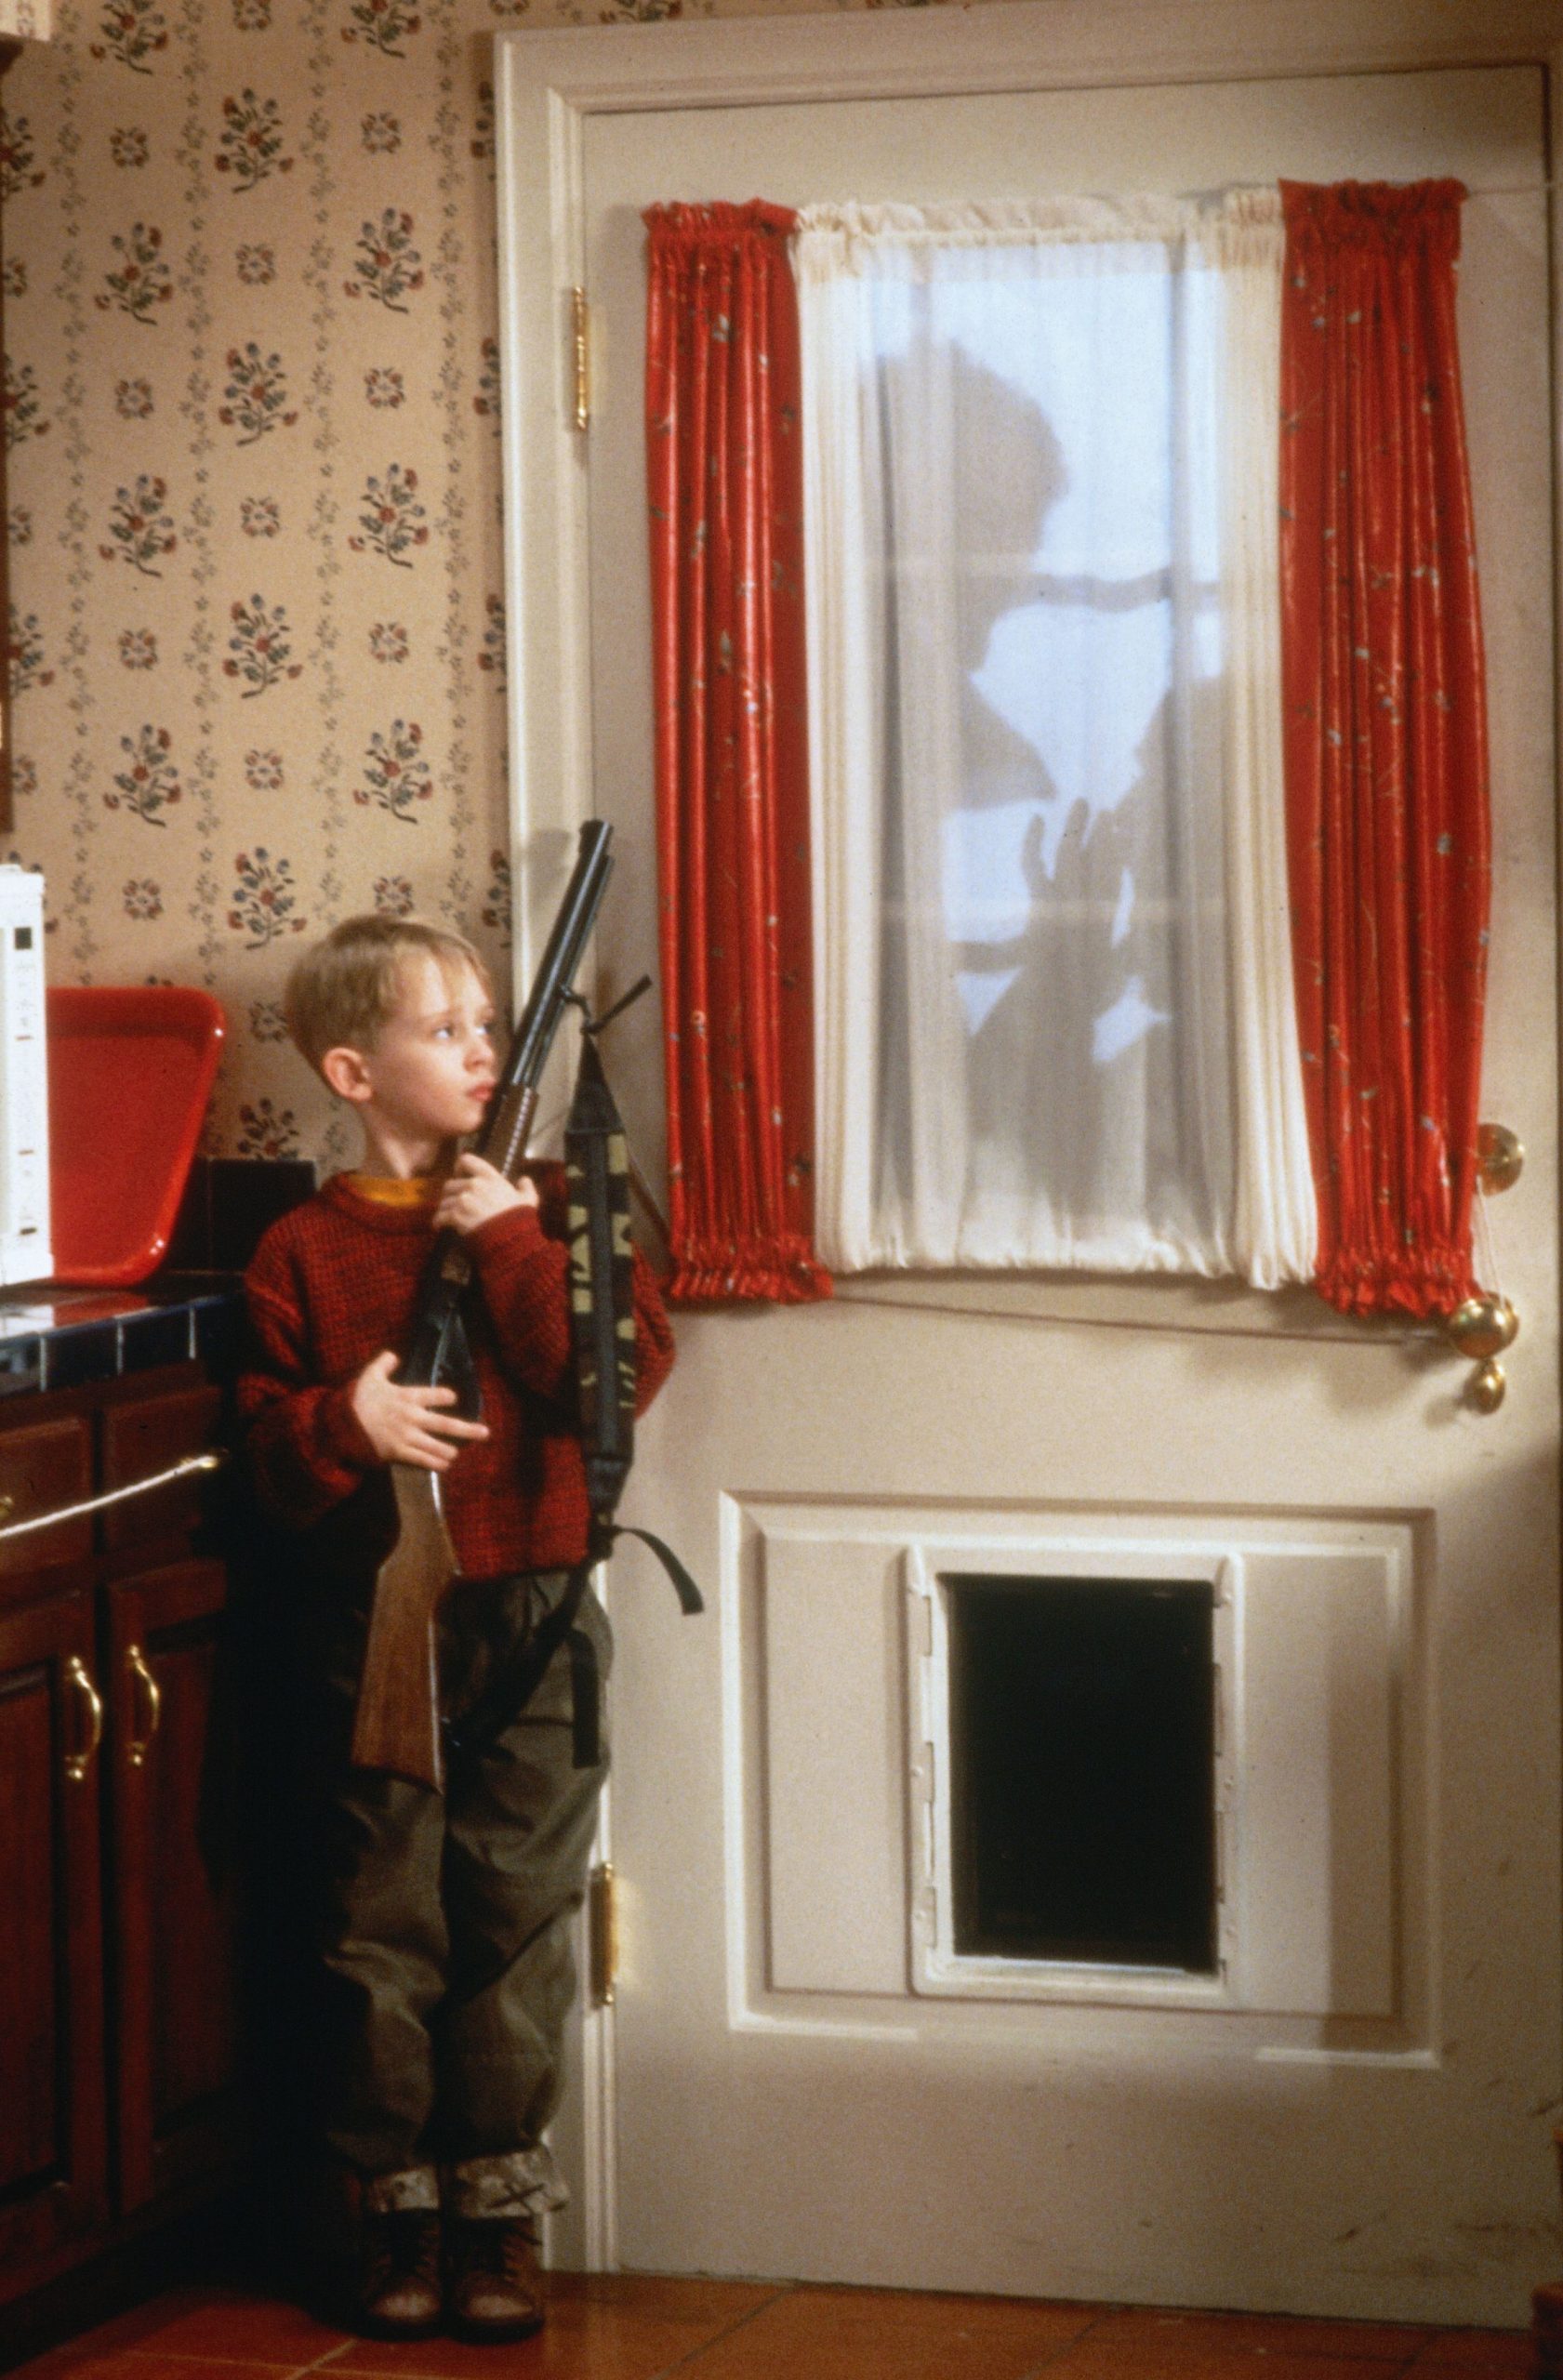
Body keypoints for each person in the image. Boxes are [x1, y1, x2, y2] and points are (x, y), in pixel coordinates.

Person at [237, 913, 674, 2343]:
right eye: (444, 1030)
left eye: (489, 1024)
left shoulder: (550, 1206)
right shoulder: (302, 1249)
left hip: (534, 1616)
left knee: (515, 1914)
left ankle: (495, 2212)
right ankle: (391, 2214)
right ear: (352, 1072)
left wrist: (507, 1241)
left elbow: (614, 1376)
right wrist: (343, 1423)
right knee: (377, 1924)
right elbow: (268, 1460)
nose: (481, 1050)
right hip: (373, 1628)